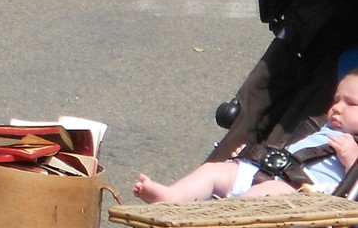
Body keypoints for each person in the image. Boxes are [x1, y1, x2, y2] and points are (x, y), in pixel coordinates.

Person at [135, 68, 358, 203]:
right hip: (265, 171)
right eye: (337, 100)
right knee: (214, 170)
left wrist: (352, 164)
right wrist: (254, 156)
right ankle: (172, 197)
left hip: (300, 193)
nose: (337, 107)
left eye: (350, 103)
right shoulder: (320, 127)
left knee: (267, 193)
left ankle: (221, 219)